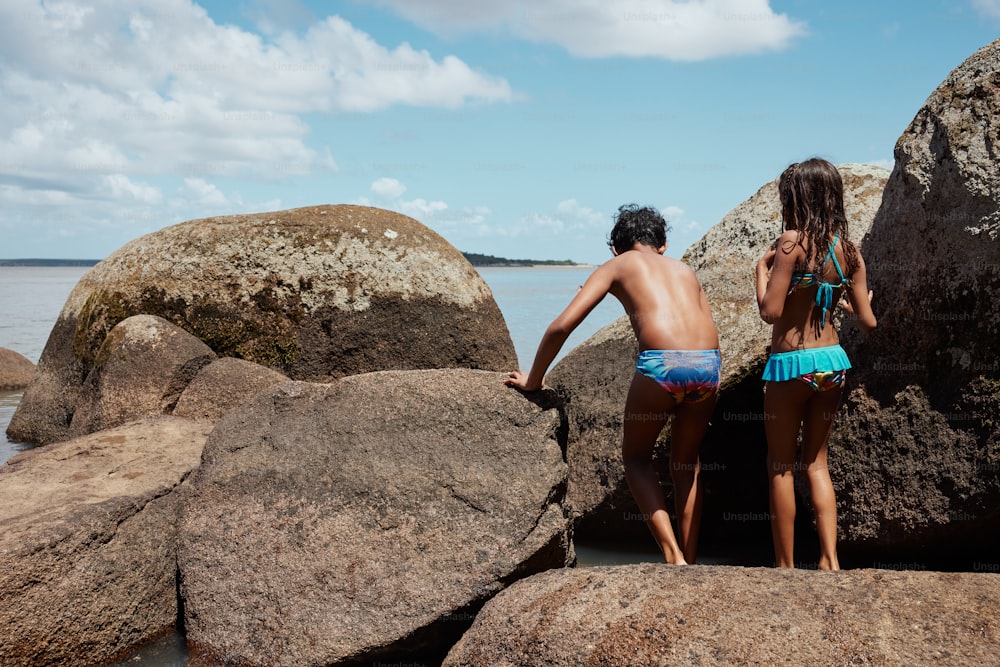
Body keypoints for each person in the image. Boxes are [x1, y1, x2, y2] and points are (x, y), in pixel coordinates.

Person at [504, 204, 721, 565]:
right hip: (708, 367)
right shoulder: (685, 270)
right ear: (663, 245)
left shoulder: (616, 265)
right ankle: (692, 560)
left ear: (616, 249)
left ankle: (673, 557)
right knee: (686, 465)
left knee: (636, 459)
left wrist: (534, 379)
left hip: (662, 366)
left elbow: (561, 326)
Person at [755, 158, 877, 570]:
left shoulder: (789, 243)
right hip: (833, 362)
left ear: (796, 198)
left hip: (791, 364)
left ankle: (786, 567)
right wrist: (851, 300)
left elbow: (771, 312)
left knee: (780, 467)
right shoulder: (850, 251)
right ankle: (829, 560)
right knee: (817, 463)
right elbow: (868, 320)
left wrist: (761, 270)